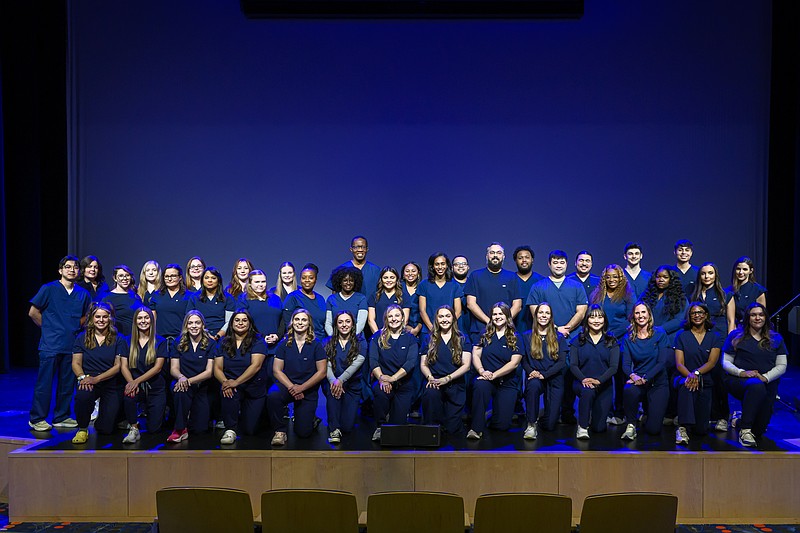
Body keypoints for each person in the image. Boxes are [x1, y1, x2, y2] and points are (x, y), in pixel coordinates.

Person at [28, 255, 92, 432]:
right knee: (44, 384)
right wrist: (49, 328)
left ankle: (61, 416)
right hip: (51, 345)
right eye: (68, 267)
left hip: (71, 345)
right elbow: (33, 312)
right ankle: (37, 418)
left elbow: (87, 316)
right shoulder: (49, 289)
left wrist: (75, 327)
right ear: (60, 270)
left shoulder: (82, 293)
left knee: (67, 383)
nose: (72, 270)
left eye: (75, 267)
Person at [526, 250, 589, 424]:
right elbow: (535, 311)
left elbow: (581, 311)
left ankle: (567, 412)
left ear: (566, 264)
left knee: (568, 375)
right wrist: (554, 329)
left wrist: (566, 328)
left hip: (571, 337)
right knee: (549, 375)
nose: (558, 265)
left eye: (562, 262)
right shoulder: (539, 286)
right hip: (546, 337)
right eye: (555, 262)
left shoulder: (576, 286)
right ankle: (547, 413)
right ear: (549, 264)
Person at [722, 303, 787, 448]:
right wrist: (742, 373)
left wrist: (766, 377)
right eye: (753, 315)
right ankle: (744, 430)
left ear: (765, 317)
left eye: (761, 314)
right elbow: (725, 362)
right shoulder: (736, 336)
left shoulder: (776, 338)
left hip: (767, 383)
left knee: (759, 430)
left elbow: (782, 365)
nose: (757, 318)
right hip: (739, 381)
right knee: (755, 385)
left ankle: (739, 421)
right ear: (747, 317)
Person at [70, 302, 127, 444]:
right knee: (83, 395)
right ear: (91, 318)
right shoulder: (81, 338)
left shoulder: (118, 338)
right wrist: (82, 377)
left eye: (105, 317)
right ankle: (82, 429)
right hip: (88, 379)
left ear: (110, 318)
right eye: (97, 317)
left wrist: (97, 379)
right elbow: (76, 363)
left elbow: (118, 366)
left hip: (110, 381)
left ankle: (103, 421)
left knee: (106, 429)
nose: (101, 320)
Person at [269, 308, 327, 445]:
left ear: (309, 324)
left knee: (303, 433)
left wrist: (301, 388)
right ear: (292, 322)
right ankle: (280, 431)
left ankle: (311, 419)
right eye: (297, 319)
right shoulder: (284, 344)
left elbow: (322, 372)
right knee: (273, 395)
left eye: (304, 320)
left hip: (307, 389)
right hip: (287, 385)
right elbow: (277, 370)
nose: (300, 323)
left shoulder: (317, 345)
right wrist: (292, 387)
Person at [467, 303, 523, 439]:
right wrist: (481, 371)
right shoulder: (484, 334)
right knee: (480, 386)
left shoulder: (516, 337)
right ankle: (475, 429)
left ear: (507, 316)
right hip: (486, 378)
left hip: (506, 382)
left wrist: (494, 375)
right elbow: (475, 354)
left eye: (501, 314)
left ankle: (491, 414)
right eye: (495, 314)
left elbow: (514, 363)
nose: (497, 317)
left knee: (501, 426)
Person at [214, 310, 268, 445]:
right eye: (237, 320)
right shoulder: (223, 342)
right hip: (231, 387)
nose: (240, 323)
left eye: (244, 320)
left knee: (250, 430)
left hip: (253, 387)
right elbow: (217, 368)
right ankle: (230, 429)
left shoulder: (258, 341)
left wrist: (235, 382)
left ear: (249, 323)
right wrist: (226, 382)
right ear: (231, 323)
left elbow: (256, 366)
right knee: (227, 392)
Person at [620, 302, 672, 440]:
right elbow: (625, 364)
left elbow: (662, 362)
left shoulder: (660, 334)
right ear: (633, 316)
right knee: (628, 389)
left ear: (649, 315)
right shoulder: (629, 338)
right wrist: (633, 376)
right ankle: (631, 424)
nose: (640, 316)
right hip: (638, 381)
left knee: (653, 430)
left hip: (658, 383)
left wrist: (645, 378)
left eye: (643, 312)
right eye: (637, 313)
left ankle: (647, 415)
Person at [590, 264, 634, 425]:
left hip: (619, 341)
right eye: (608, 276)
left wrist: (613, 335)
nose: (612, 279)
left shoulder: (627, 294)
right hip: (600, 339)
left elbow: (631, 318)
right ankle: (603, 411)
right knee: (603, 376)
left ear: (620, 277)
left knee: (620, 378)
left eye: (615, 276)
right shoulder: (597, 294)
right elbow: (591, 314)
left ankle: (620, 412)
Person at [691, 262, 733, 431]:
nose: (707, 276)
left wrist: (730, 343)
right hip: (700, 339)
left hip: (720, 338)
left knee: (719, 379)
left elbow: (731, 321)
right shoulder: (694, 295)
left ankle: (722, 416)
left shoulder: (725, 294)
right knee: (703, 377)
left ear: (716, 275)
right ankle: (706, 415)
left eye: (710, 273)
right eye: (703, 273)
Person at [674, 302, 722, 445]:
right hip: (684, 376)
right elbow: (679, 363)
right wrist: (690, 375)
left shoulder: (715, 336)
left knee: (701, 430)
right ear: (689, 316)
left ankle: (693, 422)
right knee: (686, 385)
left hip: (705, 380)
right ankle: (681, 427)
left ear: (706, 315)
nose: (697, 315)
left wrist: (696, 373)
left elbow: (712, 362)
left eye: (700, 312)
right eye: (693, 313)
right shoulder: (682, 336)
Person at [419, 305, 472, 435]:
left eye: (447, 316)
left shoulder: (462, 338)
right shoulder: (429, 339)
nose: (444, 319)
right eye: (441, 316)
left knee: (452, 430)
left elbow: (467, 365)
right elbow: (423, 364)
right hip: (435, 382)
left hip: (455, 384)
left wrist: (447, 378)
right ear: (436, 319)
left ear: (453, 318)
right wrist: (430, 378)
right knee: (431, 397)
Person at [369, 305, 419, 441]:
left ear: (403, 318)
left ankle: (395, 418)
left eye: (397, 315)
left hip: (403, 385)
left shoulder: (410, 339)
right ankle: (380, 426)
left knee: (398, 429)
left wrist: (393, 378)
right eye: (390, 316)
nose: (394, 319)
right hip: (382, 382)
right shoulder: (377, 337)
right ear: (386, 318)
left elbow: (410, 363)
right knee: (380, 392)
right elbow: (373, 361)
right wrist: (381, 378)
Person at [569, 305, 620, 439]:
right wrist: (584, 379)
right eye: (592, 317)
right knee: (588, 391)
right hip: (582, 382)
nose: (596, 320)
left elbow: (614, 367)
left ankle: (593, 416)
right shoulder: (578, 340)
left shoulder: (612, 341)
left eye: (600, 317)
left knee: (599, 428)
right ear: (587, 320)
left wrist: (599, 381)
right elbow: (573, 365)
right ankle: (582, 426)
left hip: (603, 385)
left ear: (604, 320)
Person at [120, 307, 168, 443]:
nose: (143, 321)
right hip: (135, 384)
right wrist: (132, 383)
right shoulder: (127, 341)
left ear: (151, 320)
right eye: (140, 318)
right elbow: (123, 366)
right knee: (129, 394)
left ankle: (158, 413)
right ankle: (134, 428)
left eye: (146, 318)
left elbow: (158, 368)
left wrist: (137, 381)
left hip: (155, 387)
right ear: (135, 321)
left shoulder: (160, 341)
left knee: (154, 429)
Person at [167, 311, 216, 443]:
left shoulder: (210, 343)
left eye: (197, 323)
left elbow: (209, 371)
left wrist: (189, 381)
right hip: (182, 384)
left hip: (202, 386)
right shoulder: (178, 342)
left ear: (202, 325)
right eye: (190, 323)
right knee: (179, 389)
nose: (194, 326)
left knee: (199, 429)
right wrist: (181, 377)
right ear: (186, 325)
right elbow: (173, 368)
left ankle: (192, 417)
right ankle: (179, 429)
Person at [521, 303, 568, 439]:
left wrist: (544, 375)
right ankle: (531, 424)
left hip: (554, 377)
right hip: (535, 376)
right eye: (541, 312)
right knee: (533, 385)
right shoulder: (527, 336)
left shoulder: (559, 337)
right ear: (536, 315)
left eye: (547, 313)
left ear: (551, 317)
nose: (543, 315)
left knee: (550, 425)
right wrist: (532, 372)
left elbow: (561, 362)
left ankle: (544, 419)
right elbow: (523, 360)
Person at [323, 311, 367, 444]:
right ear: (336, 324)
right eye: (340, 322)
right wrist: (333, 381)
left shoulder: (361, 342)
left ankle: (341, 424)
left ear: (353, 324)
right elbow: (327, 364)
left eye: (347, 321)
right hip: (333, 384)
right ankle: (334, 429)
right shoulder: (327, 341)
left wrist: (341, 380)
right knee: (333, 394)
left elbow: (356, 364)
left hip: (352, 385)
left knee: (347, 427)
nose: (344, 325)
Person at [464, 243, 521, 345]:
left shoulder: (512, 277)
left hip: (506, 331)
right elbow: (470, 304)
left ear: (503, 257)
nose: (495, 255)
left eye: (499, 253)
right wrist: (490, 322)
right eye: (492, 252)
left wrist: (503, 322)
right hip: (480, 330)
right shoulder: (475, 276)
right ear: (487, 256)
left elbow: (517, 305)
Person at [239, 270, 283, 357]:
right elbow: (242, 323)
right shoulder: (244, 299)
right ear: (250, 283)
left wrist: (278, 335)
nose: (260, 284)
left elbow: (282, 320)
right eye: (257, 282)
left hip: (275, 348)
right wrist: (261, 337)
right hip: (254, 347)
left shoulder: (275, 298)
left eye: (263, 281)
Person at [418, 253, 462, 335]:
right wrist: (432, 329)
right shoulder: (424, 284)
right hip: (428, 331)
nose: (440, 267)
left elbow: (458, 311)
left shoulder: (454, 285)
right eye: (437, 264)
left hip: (449, 331)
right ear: (432, 266)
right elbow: (422, 310)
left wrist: (448, 327)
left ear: (447, 265)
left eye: (443, 264)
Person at [327, 235, 382, 300]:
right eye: (356, 247)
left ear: (367, 249)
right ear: (351, 249)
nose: (360, 250)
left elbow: (381, 292)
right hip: (346, 308)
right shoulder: (341, 270)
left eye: (363, 247)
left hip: (370, 309)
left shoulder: (376, 270)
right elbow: (334, 293)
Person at [187, 266, 235, 340]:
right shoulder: (194, 297)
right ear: (202, 280)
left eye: (213, 278)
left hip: (222, 336)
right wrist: (206, 334)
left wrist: (218, 335)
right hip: (200, 335)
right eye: (206, 278)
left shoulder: (228, 298)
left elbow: (229, 321)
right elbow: (189, 319)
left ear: (218, 280)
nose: (210, 280)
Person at [283, 264, 327, 340]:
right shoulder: (293, 297)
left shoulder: (320, 298)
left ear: (315, 279)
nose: (307, 280)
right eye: (304, 278)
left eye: (311, 278)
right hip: (302, 341)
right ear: (300, 279)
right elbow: (287, 323)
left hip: (321, 342)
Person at [641, 266, 688, 337]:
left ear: (671, 279)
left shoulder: (680, 297)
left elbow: (679, 320)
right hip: (648, 336)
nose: (661, 280)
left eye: (665, 277)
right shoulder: (648, 294)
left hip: (669, 337)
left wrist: (659, 329)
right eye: (658, 277)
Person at [149, 264, 190, 342]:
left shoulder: (189, 296)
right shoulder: (156, 296)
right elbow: (152, 320)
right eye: (166, 276)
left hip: (182, 339)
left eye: (173, 276)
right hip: (160, 339)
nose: (170, 279)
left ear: (180, 277)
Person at [726, 256, 767, 332]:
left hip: (753, 330)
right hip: (736, 330)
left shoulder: (758, 290)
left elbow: (762, 316)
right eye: (738, 269)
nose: (741, 272)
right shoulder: (729, 291)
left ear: (751, 271)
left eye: (745, 269)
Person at [101, 265, 143, 336]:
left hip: (136, 337)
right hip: (120, 337)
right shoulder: (108, 298)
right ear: (115, 278)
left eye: (127, 275)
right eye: (121, 275)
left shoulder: (135, 296)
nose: (124, 278)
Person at [325, 266, 367, 336]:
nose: (348, 283)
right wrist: (334, 338)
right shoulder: (331, 299)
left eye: (351, 280)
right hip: (335, 340)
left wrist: (350, 338)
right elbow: (328, 322)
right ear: (340, 282)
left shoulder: (361, 298)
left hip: (356, 340)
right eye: (345, 280)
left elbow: (361, 323)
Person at [512, 245, 545, 333]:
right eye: (520, 258)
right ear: (515, 260)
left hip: (537, 330)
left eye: (527, 257)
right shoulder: (510, 280)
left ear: (532, 260)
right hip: (513, 329)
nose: (524, 260)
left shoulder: (541, 281)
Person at [367, 267, 409, 333]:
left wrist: (395, 335)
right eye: (385, 278)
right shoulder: (374, 296)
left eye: (392, 277)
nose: (389, 280)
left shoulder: (403, 296)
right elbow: (371, 320)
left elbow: (405, 320)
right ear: (381, 279)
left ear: (397, 279)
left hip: (398, 335)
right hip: (379, 335)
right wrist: (378, 336)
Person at [401, 262, 422, 337]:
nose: (410, 273)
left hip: (420, 329)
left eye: (413, 271)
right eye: (407, 271)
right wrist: (405, 327)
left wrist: (417, 329)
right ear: (403, 274)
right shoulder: (399, 288)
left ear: (418, 273)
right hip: (399, 328)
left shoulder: (423, 287)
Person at [452, 255, 471, 335]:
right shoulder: (448, 285)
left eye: (464, 264)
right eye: (457, 264)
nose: (460, 266)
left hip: (471, 329)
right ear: (452, 268)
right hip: (453, 329)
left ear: (468, 267)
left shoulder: (473, 283)